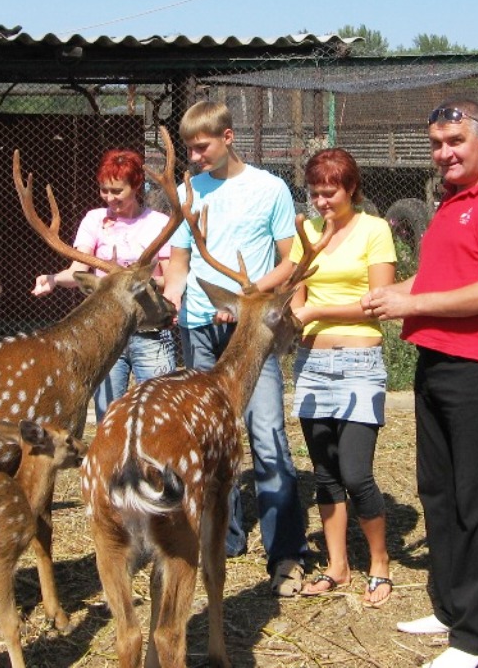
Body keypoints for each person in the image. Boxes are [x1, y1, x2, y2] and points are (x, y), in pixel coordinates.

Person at [364, 99, 478, 668]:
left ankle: (475, 637)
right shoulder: (451, 200)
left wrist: (410, 303)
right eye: (437, 144)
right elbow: (436, 279)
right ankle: (450, 608)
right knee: (437, 490)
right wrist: (388, 296)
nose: (445, 153)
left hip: (477, 366)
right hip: (435, 359)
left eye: (455, 141)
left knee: (476, 496)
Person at [163, 100, 309, 597]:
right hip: (200, 328)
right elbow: (180, 259)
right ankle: (224, 539)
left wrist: (245, 298)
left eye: (201, 147)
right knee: (209, 439)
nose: (195, 157)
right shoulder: (190, 190)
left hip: (249, 331)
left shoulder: (269, 189)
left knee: (266, 432)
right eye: (189, 149)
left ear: (228, 137)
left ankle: (286, 551)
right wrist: (173, 294)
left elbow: (290, 261)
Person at [272, 149, 396, 607]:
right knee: (325, 475)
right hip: (312, 364)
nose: (322, 202)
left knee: (357, 474)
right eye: (316, 193)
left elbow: (379, 300)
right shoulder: (307, 235)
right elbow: (297, 300)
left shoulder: (374, 230)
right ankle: (337, 566)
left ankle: (379, 563)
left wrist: (317, 311)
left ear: (351, 189)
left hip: (359, 363)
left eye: (331, 192)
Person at [31, 148, 176, 421]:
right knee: (108, 416)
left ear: (136, 186)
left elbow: (170, 278)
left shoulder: (159, 223)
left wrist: (136, 282)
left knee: (159, 413)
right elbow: (78, 272)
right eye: (104, 190)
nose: (109, 198)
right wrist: (53, 279)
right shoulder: (94, 220)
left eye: (117, 191)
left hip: (150, 332)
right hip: (107, 333)